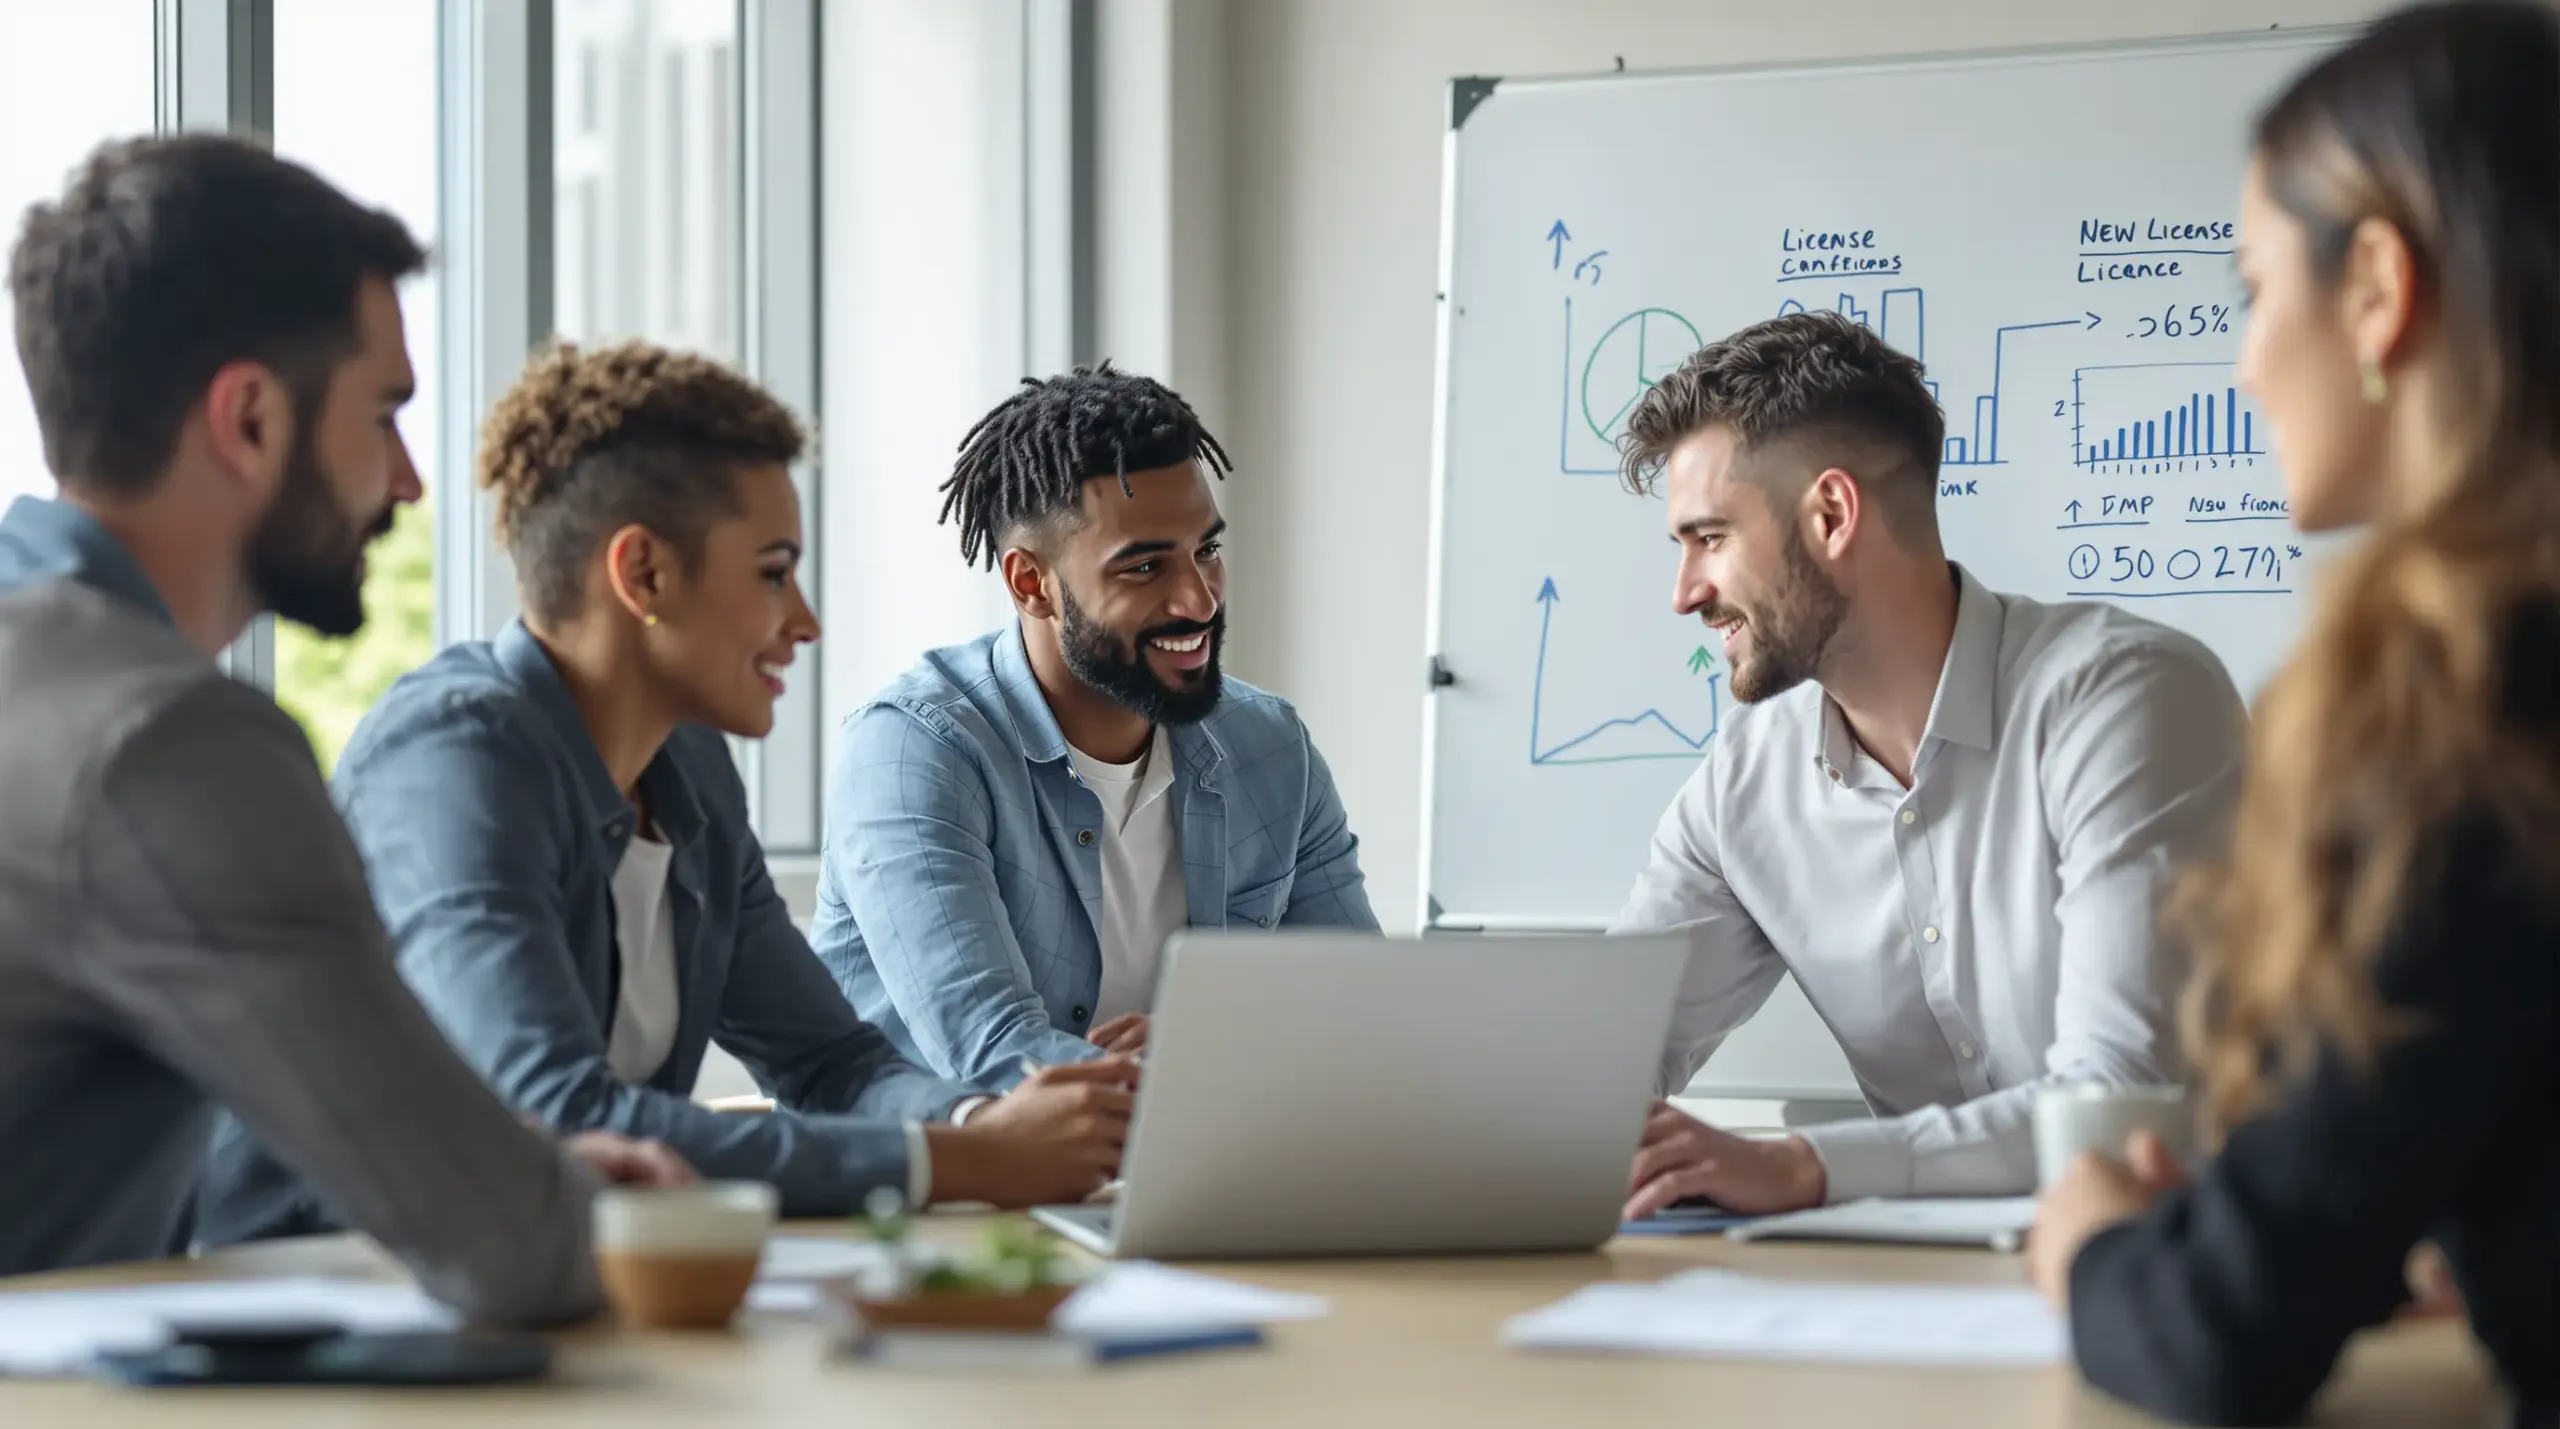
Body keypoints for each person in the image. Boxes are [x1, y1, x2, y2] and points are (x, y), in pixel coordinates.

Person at [195, 343, 1143, 1244]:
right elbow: (560, 1114)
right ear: (642, 571)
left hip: (550, 1277)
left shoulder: (686, 765)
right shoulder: (454, 755)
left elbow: (829, 1061)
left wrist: (991, 1118)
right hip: (308, 1294)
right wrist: (960, 1159)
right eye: (774, 573)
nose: (805, 621)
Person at [0, 134, 688, 1317]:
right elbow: (511, 1252)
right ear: (252, 418)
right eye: (384, 414)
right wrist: (565, 1208)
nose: (411, 481)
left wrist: (513, 1180)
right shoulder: (165, 744)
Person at [2030, 5, 2559, 1424]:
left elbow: (2225, 1338)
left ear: (2382, 286)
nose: (2244, 363)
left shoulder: (2476, 704)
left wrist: (2087, 1244)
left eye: (2258, 289)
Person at [1608, 311, 2249, 1221]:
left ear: (1832, 514)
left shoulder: (2125, 699)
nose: (1686, 593)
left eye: (1709, 537)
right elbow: (1598, 1068)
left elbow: (2116, 1105)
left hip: (2192, 1276)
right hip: (1917, 1299)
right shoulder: (1745, 782)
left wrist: (1803, 1166)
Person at [807, 365, 1377, 1082]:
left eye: (1206, 551)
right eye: (1143, 568)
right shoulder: (913, 749)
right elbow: (998, 1058)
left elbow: (1361, 1020)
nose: (1198, 600)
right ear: (1030, 582)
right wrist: (1222, 1055)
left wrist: (1196, 1049)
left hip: (1185, 1169)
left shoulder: (1269, 747)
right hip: (938, 1187)